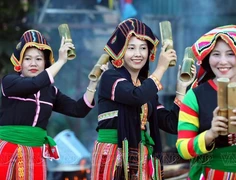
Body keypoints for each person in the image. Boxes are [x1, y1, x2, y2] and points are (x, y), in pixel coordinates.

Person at [90, 18, 196, 180]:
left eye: (143, 48)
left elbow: (172, 124)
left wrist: (181, 87)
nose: (138, 54)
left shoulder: (147, 90)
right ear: (121, 51)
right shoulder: (109, 78)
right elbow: (136, 96)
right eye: (131, 48)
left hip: (140, 157)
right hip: (112, 154)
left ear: (149, 52)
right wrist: (161, 68)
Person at [0, 29, 106, 179]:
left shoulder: (50, 92)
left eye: (38, 59)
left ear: (45, 63)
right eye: (28, 59)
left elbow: (78, 110)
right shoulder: (9, 83)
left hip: (36, 153)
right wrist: (62, 60)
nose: (33, 63)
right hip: (9, 151)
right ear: (20, 62)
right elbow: (35, 83)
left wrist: (93, 83)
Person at [176, 25, 236, 180]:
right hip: (209, 175)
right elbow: (183, 149)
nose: (223, 61)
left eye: (230, 54)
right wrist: (211, 133)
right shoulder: (194, 96)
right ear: (208, 58)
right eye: (216, 54)